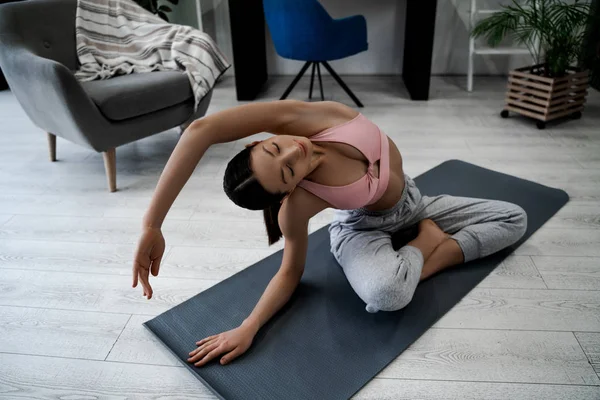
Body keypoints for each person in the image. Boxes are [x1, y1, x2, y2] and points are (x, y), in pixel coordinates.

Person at [132, 99, 527, 368]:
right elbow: (289, 272)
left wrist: (151, 224)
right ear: (289, 190)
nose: (293, 153)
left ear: (260, 139)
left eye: (274, 150)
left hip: (415, 201)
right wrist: (248, 327)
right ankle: (425, 244)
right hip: (363, 228)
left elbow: (202, 129)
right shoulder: (299, 206)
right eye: (288, 171)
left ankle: (424, 247)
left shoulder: (305, 117)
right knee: (386, 296)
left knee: (514, 219)